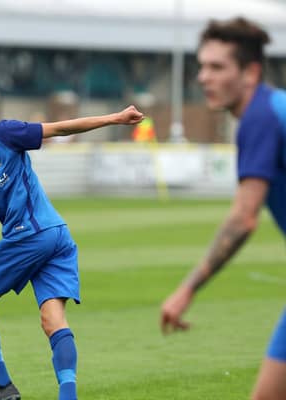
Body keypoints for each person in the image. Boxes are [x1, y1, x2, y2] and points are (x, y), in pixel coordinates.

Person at [0, 74, 144, 400]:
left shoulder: (3, 133)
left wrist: (115, 118)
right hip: (57, 236)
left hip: (29, 235)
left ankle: (3, 387)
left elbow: (59, 128)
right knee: (52, 320)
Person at [160, 17, 286, 400]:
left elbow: (243, 218)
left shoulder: (262, 117)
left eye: (217, 67)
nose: (203, 77)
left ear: (250, 72)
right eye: (202, 66)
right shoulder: (273, 108)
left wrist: (186, 289)